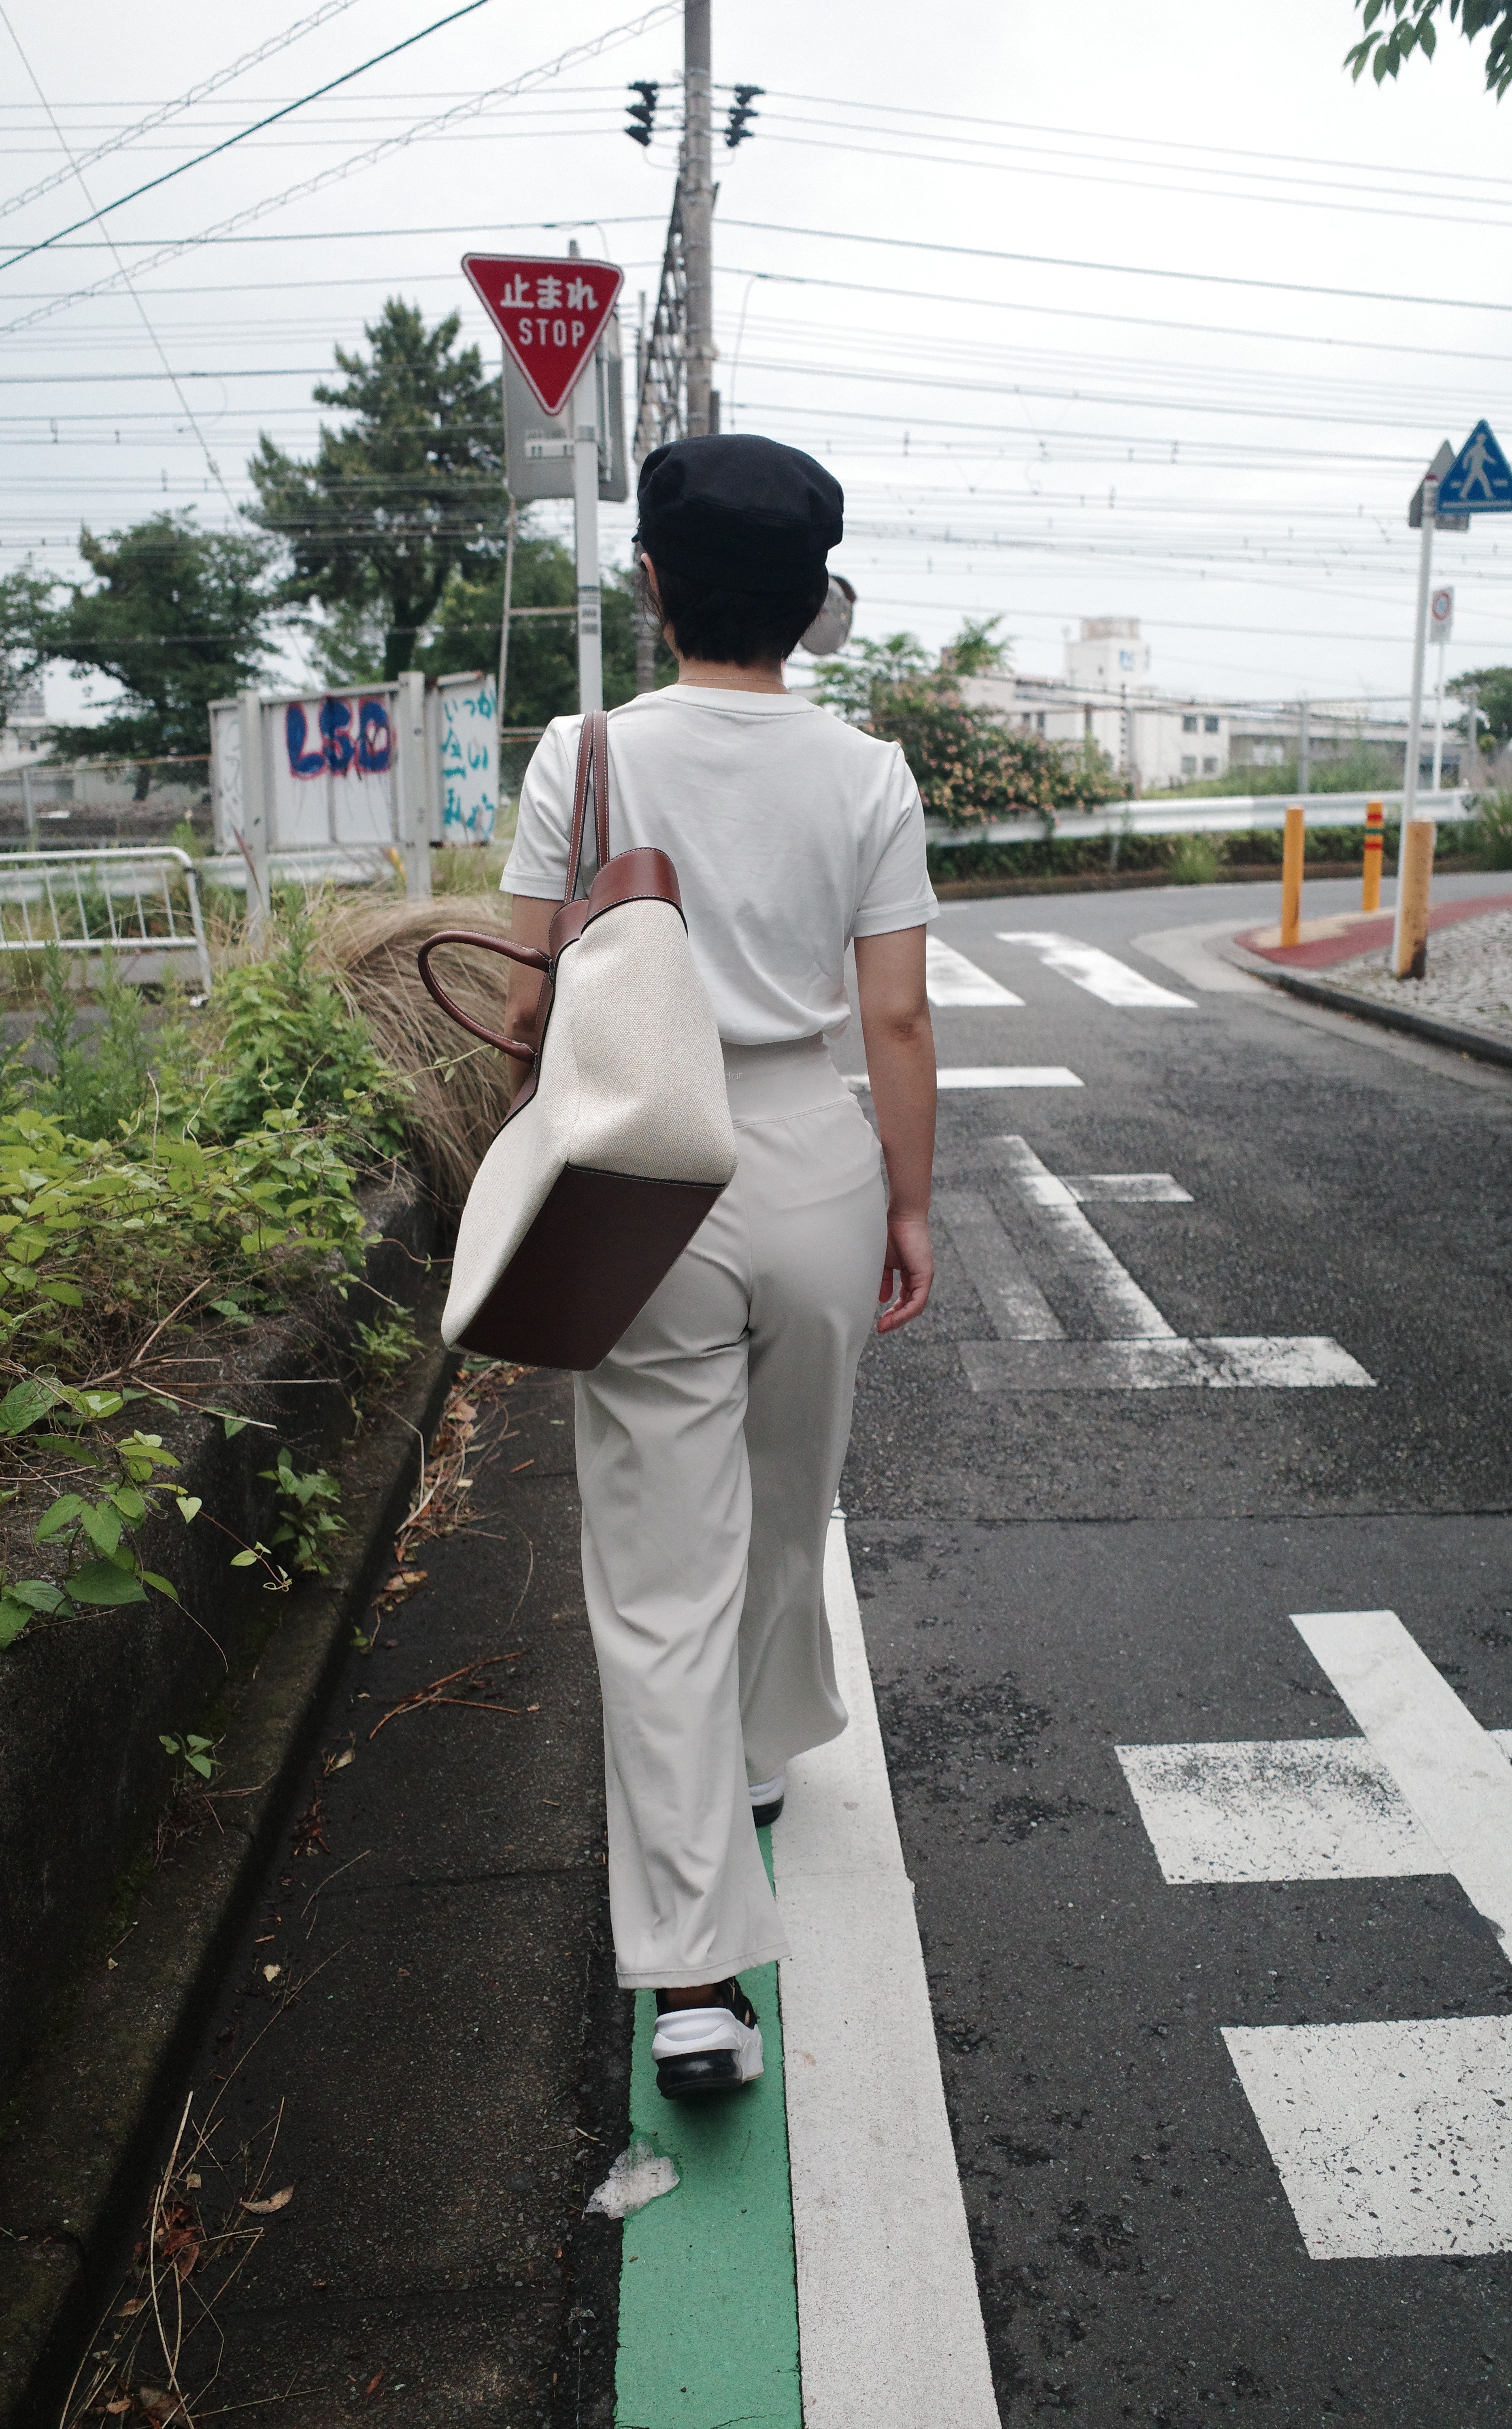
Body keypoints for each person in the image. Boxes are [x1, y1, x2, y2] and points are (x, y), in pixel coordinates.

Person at [498, 434, 937, 2098]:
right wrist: (908, 1202)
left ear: (656, 582)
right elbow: (890, 1015)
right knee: (785, 1499)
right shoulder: (868, 770)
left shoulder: (584, 751)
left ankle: (694, 1987)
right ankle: (757, 1756)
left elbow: (530, 997)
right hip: (815, 1155)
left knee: (655, 1566)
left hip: (639, 1165)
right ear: (814, 604)